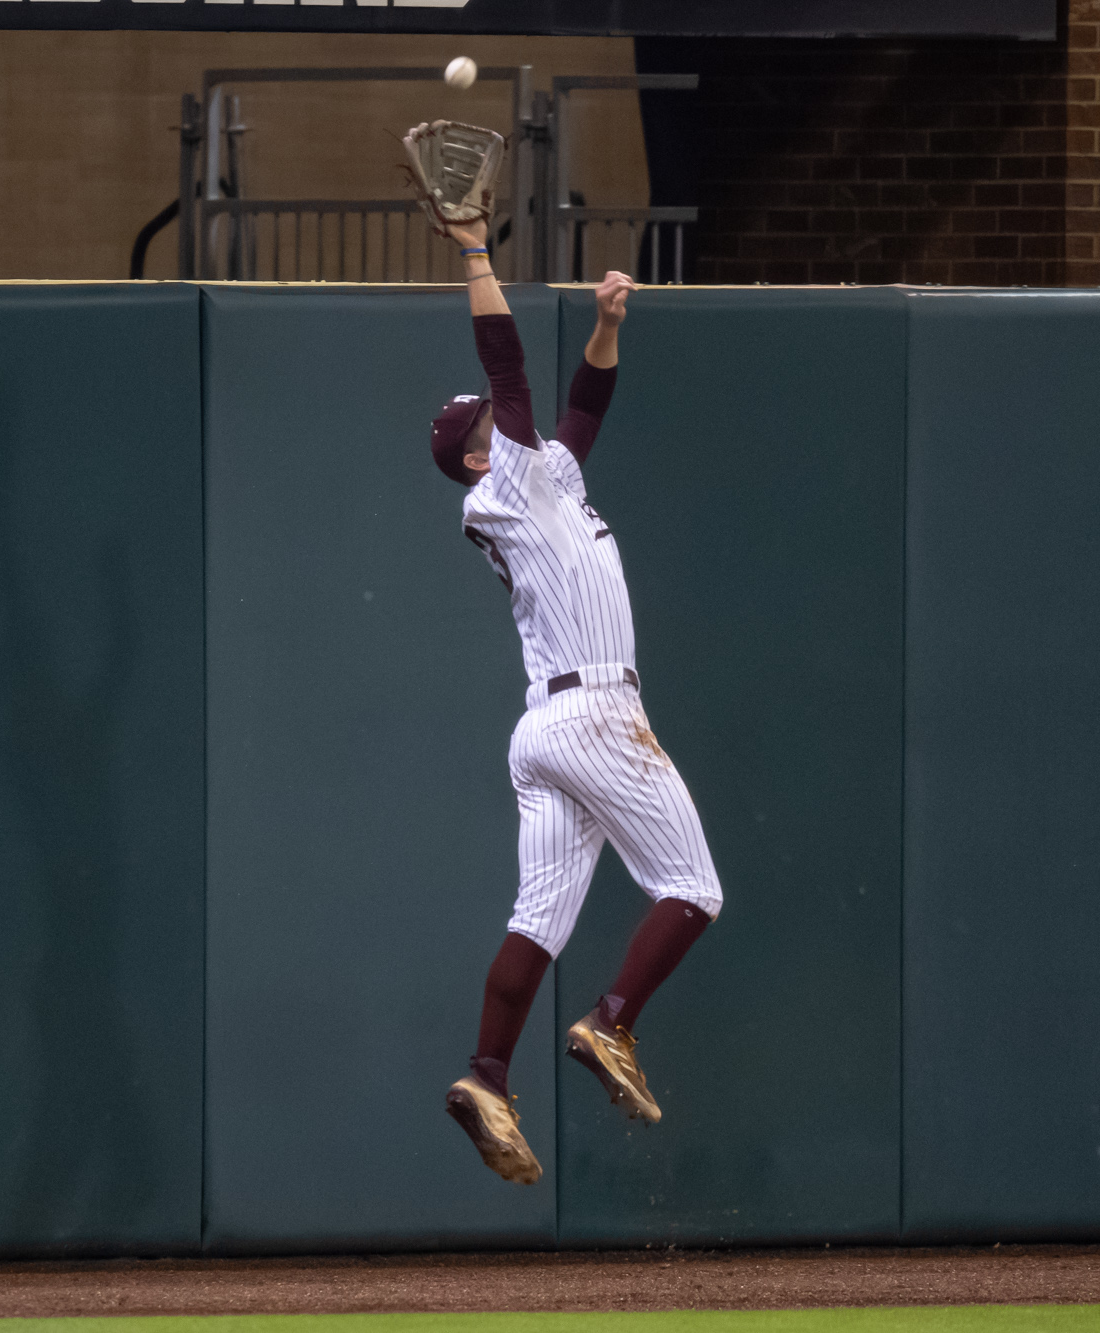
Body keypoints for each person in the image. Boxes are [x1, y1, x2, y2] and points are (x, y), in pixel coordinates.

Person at [430, 217, 722, 1187]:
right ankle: (611, 1021)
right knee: (692, 890)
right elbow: (507, 367)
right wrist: (473, 249)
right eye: (485, 428)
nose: (503, 425)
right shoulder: (503, 478)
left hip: (544, 729)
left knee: (536, 920)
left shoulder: (541, 475)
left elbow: (579, 408)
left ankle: (485, 1073)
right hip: (595, 715)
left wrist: (604, 327)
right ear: (478, 458)